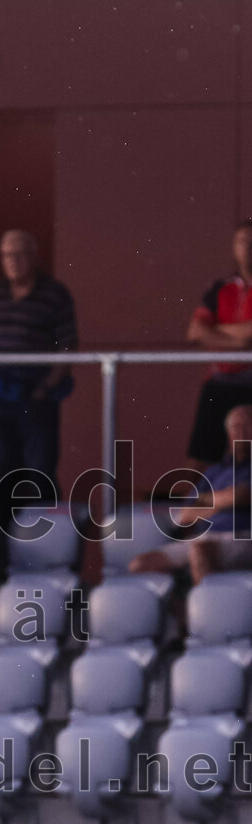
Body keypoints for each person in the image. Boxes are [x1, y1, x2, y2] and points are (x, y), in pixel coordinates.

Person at [0, 229, 76, 509]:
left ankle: (46, 545)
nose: (13, 260)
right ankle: (5, 545)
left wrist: (44, 389)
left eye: (19, 254)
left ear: (33, 256)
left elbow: (67, 349)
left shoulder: (54, 294)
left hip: (36, 397)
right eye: (7, 255)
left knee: (39, 471)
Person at [130, 404, 252, 584]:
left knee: (200, 553)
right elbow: (184, 515)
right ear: (229, 434)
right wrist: (222, 502)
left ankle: (210, 612)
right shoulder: (215, 472)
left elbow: (241, 496)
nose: (241, 432)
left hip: (241, 537)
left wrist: (205, 503)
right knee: (141, 565)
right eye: (236, 427)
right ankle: (187, 612)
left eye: (248, 426)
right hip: (204, 539)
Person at [185, 219, 252, 466]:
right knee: (200, 459)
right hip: (220, 381)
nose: (248, 246)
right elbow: (195, 332)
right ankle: (197, 502)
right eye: (242, 241)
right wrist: (241, 342)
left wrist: (218, 331)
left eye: (251, 240)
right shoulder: (221, 288)